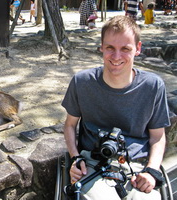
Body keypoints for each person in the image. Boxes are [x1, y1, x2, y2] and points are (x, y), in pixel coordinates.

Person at [62, 15, 170, 200]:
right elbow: (70, 125)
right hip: (92, 163)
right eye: (110, 48)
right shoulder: (82, 82)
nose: (117, 56)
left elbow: (158, 136)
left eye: (125, 49)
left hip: (137, 166)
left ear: (138, 48)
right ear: (101, 47)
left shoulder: (153, 86)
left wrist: (152, 171)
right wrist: (75, 158)